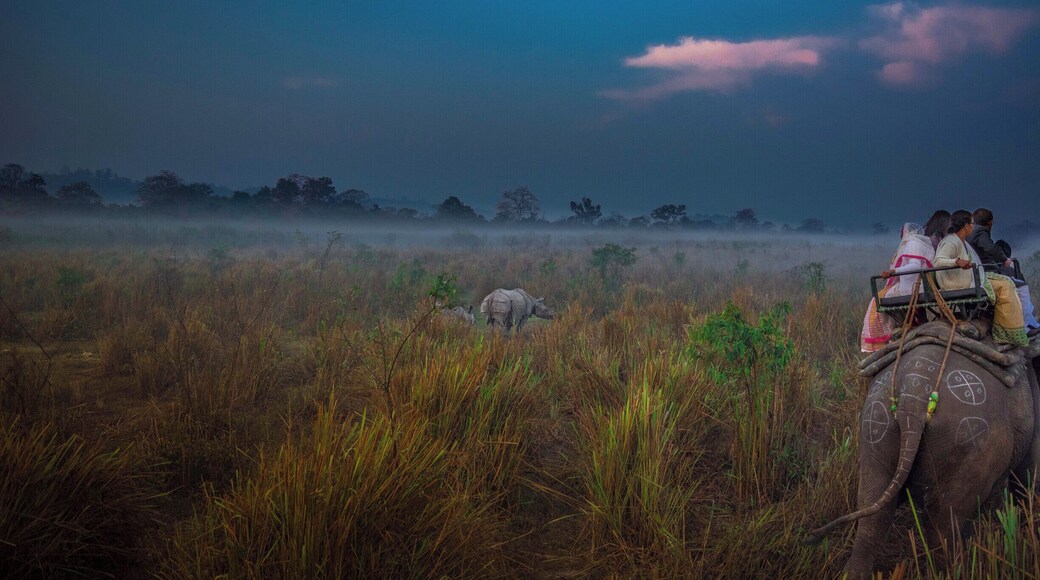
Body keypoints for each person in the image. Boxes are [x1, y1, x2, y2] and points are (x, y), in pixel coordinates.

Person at [934, 210, 1030, 346]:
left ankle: (1006, 327)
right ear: (966, 226)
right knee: (1005, 287)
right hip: (956, 282)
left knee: (1005, 282)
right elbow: (938, 261)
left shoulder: (960, 240)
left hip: (964, 278)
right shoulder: (951, 241)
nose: (973, 227)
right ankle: (1006, 332)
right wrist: (956, 262)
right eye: (972, 224)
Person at [860, 223, 934, 352]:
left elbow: (915, 266)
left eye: (902, 232)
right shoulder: (920, 243)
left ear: (906, 232)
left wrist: (894, 271)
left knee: (876, 303)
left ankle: (883, 339)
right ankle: (909, 323)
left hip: (911, 286)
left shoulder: (913, 243)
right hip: (916, 284)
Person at [967, 208, 1039, 331]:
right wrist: (1004, 259)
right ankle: (1025, 325)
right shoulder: (980, 232)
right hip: (986, 271)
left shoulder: (968, 232)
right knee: (1021, 286)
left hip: (976, 272)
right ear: (989, 223)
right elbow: (989, 248)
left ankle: (1029, 322)